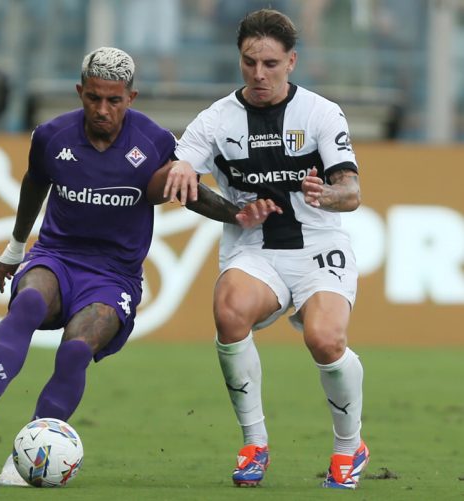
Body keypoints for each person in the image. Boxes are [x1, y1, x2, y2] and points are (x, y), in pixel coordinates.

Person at [0, 46, 278, 486]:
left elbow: (187, 190)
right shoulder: (51, 137)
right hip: (56, 256)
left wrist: (237, 214)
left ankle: (29, 451)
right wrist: (15, 247)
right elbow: (33, 186)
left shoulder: (155, 142)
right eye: (94, 98)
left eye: (114, 100)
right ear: (80, 91)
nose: (102, 109)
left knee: (76, 349)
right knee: (27, 304)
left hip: (113, 276)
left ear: (131, 97)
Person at [168, 8, 368, 490]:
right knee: (229, 309)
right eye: (249, 62)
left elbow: (352, 192)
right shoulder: (215, 120)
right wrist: (223, 204)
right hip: (255, 248)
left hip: (318, 246)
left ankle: (349, 447)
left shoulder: (320, 113)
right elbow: (182, 182)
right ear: (239, 58)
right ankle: (254, 443)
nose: (259, 74)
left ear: (291, 62)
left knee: (325, 340)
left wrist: (326, 194)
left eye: (271, 64)